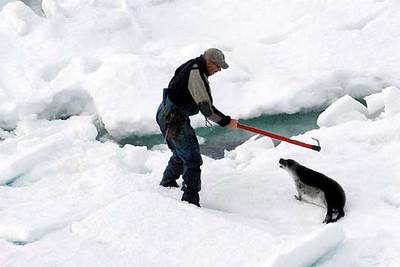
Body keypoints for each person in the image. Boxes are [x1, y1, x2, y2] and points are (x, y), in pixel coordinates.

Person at [156, 48, 238, 207]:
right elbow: (207, 109)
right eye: (218, 66)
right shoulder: (196, 75)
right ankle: (190, 200)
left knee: (181, 153)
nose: (219, 70)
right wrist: (226, 121)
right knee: (192, 159)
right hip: (173, 121)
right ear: (209, 62)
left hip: (165, 113)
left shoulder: (194, 64)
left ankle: (168, 183)